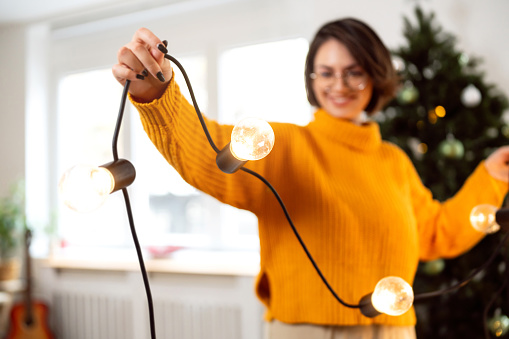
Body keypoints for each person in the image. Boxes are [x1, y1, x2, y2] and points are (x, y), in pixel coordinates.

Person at [113, 18, 509, 339]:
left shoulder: (394, 162)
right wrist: (157, 95)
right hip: (306, 331)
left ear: (375, 78)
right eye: (327, 72)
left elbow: (436, 233)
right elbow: (207, 153)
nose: (339, 85)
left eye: (354, 73)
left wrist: (491, 176)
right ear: (312, 79)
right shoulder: (286, 146)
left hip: (391, 331)